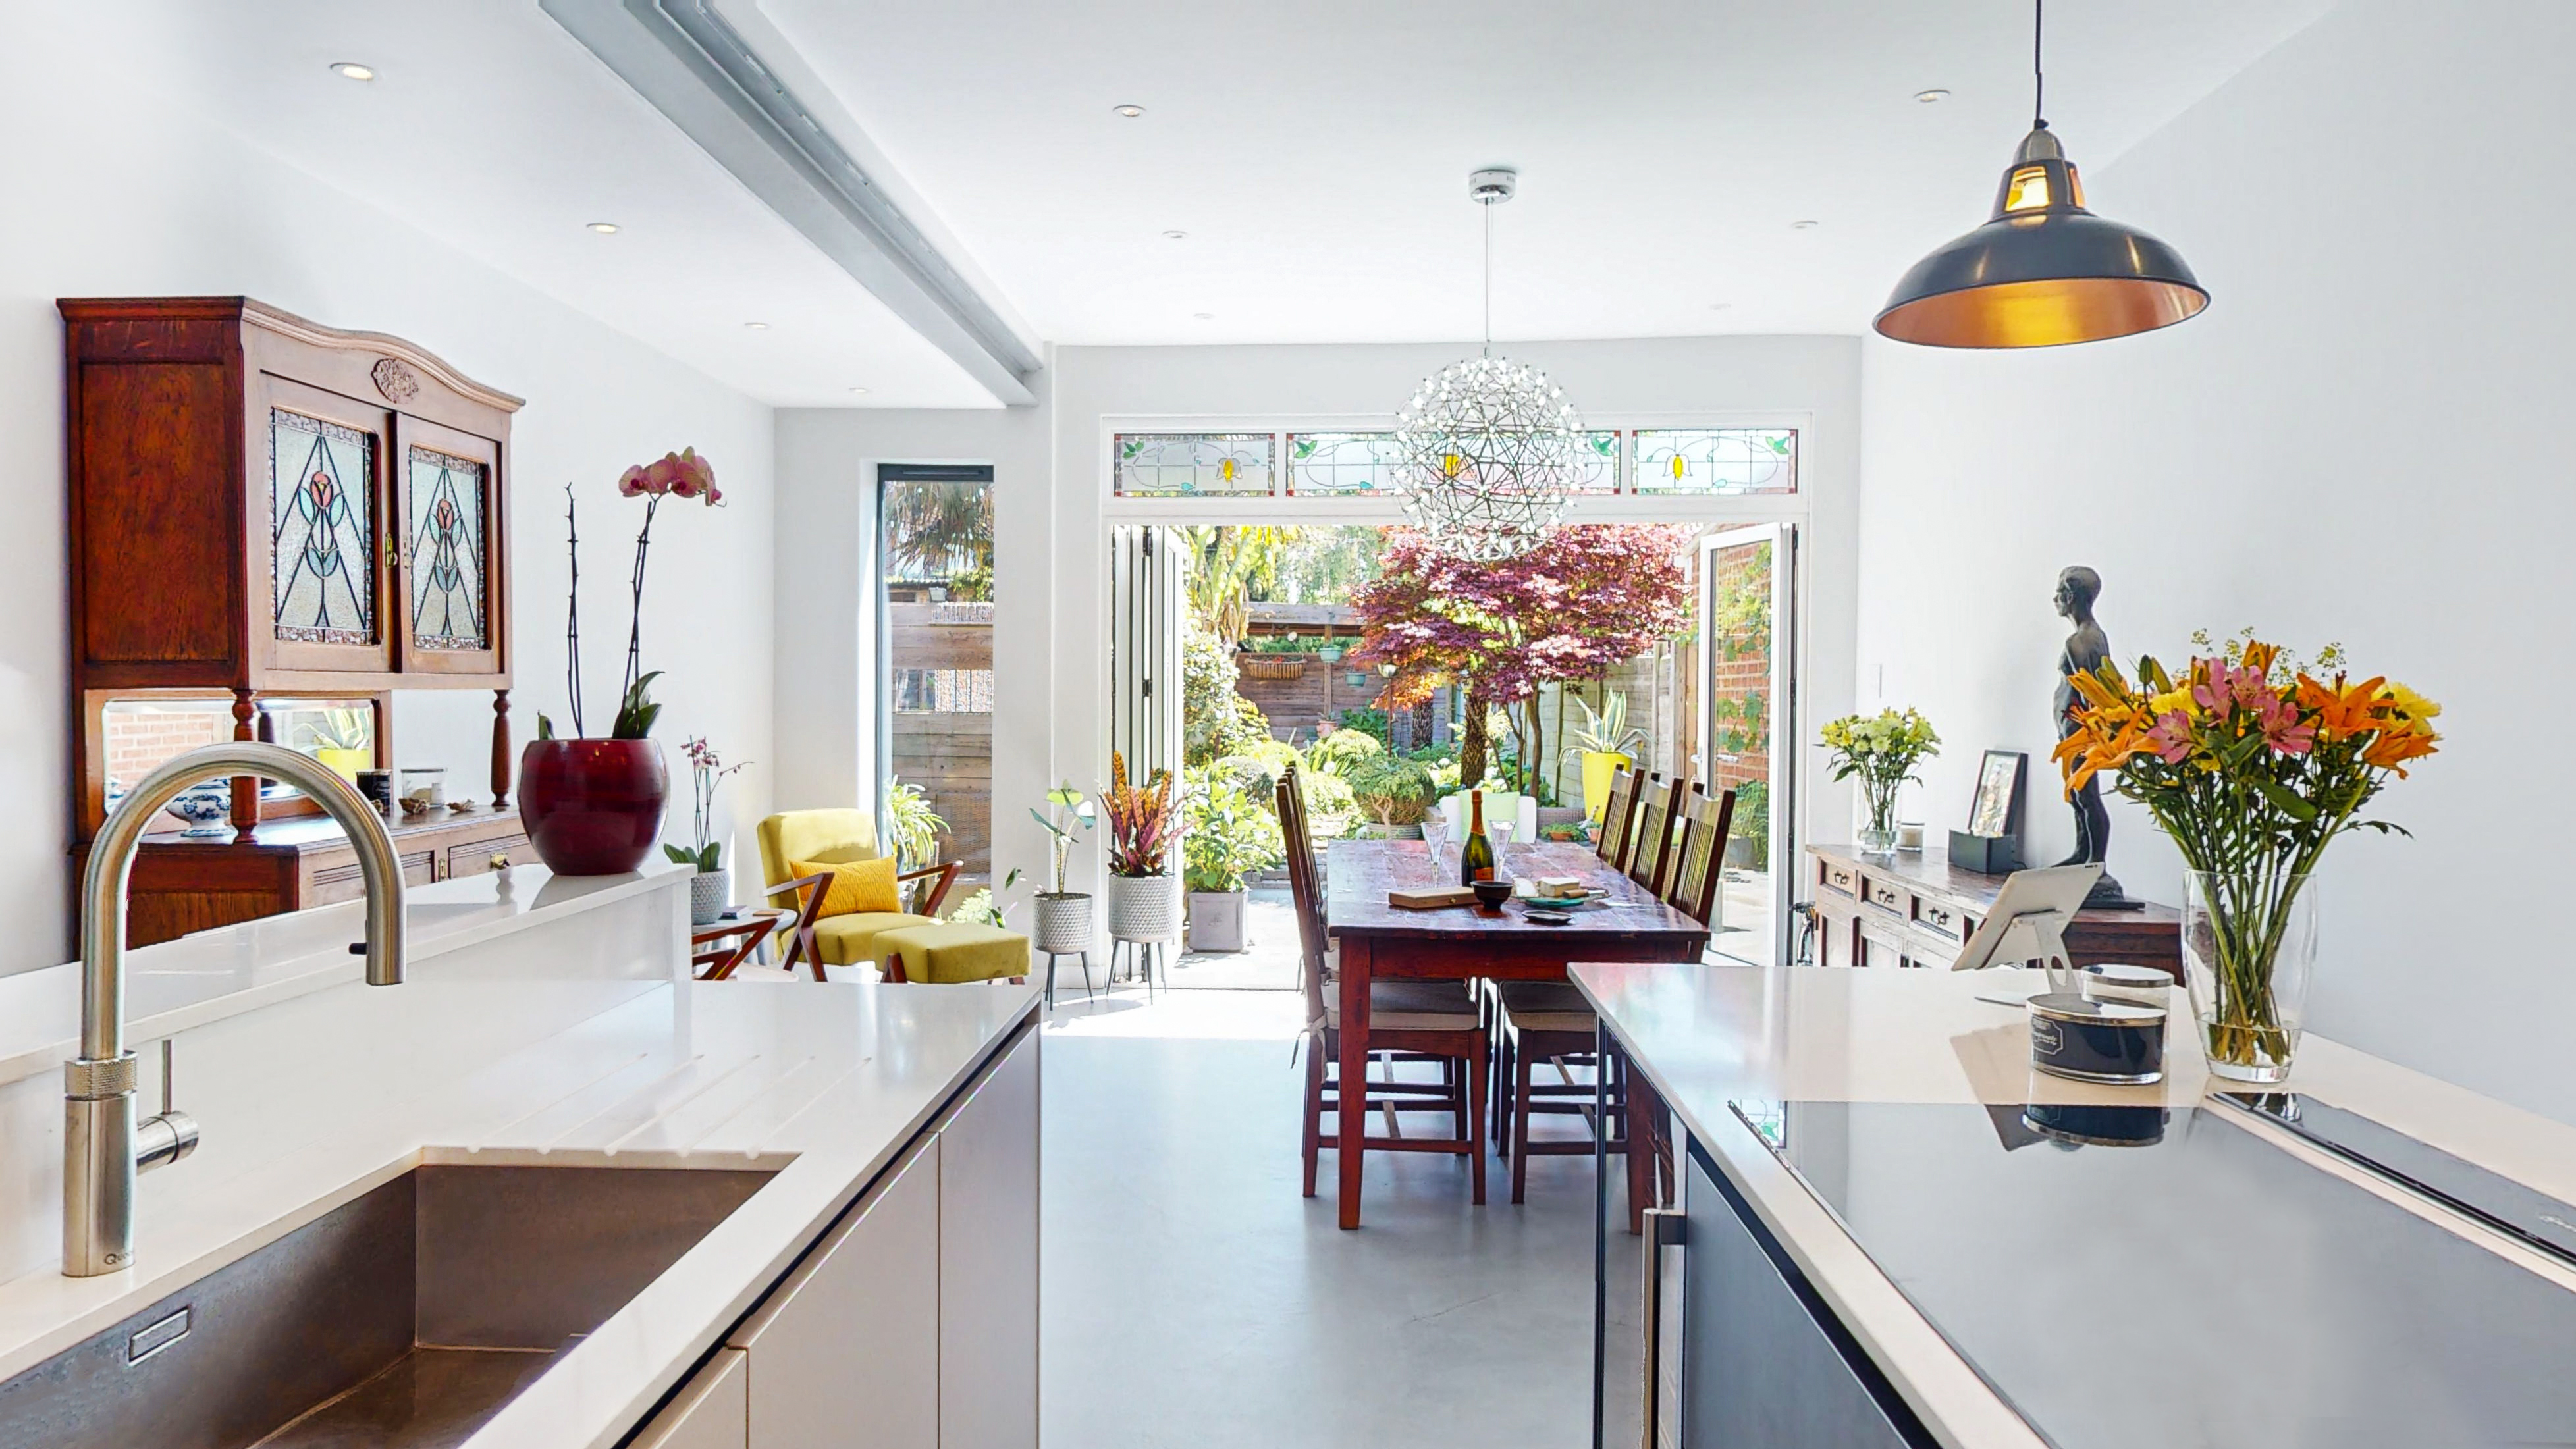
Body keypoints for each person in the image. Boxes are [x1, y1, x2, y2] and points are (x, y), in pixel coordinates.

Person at [2053, 567, 2136, 908]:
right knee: (2078, 795)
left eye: (2059, 592)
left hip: (2083, 730)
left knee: (2088, 797)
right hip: (2073, 729)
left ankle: (2095, 865)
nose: (2055, 599)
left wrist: (2093, 733)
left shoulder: (2080, 641)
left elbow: (2095, 692)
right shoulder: (2091, 634)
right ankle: (2082, 854)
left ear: (2071, 596)